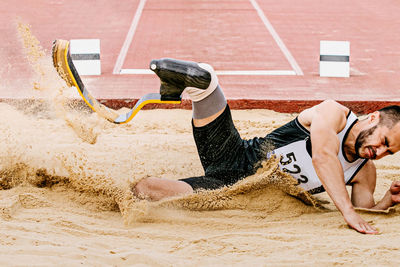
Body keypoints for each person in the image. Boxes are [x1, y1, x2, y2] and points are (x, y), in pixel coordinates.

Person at [133, 58, 400, 235]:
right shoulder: (334, 113)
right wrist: (347, 212)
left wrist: (388, 200)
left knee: (146, 190)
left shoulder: (364, 172)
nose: (379, 152)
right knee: (205, 91)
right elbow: (322, 155)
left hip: (236, 193)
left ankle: (202, 85)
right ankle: (202, 81)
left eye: (389, 152)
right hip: (237, 157)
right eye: (384, 142)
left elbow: (363, 213)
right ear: (373, 117)